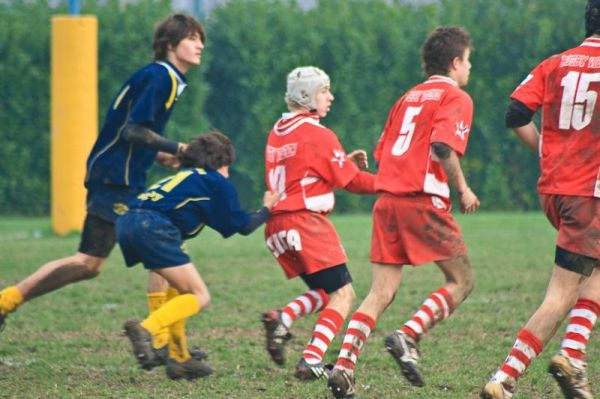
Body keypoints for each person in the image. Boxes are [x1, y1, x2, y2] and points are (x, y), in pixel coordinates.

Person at [0, 13, 205, 365]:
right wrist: (178, 149)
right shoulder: (162, 78)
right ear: (171, 45)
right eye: (191, 38)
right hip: (116, 180)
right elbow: (132, 131)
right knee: (146, 253)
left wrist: (158, 153)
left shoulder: (160, 76)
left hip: (119, 176)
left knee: (104, 262)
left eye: (201, 38)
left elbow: (130, 134)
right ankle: (171, 348)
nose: (200, 44)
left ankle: (171, 348)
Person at [327, 26, 480, 398]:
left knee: (380, 291)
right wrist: (462, 188)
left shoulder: (407, 97)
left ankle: (344, 367)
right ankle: (408, 335)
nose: (470, 68)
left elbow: (386, 151)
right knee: (462, 280)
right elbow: (444, 146)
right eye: (469, 60)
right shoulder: (455, 95)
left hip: (386, 201)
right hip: (421, 199)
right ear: (456, 62)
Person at [480, 2, 600, 398]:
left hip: (554, 190)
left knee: (585, 276)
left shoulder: (556, 62)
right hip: (590, 194)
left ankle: (543, 368)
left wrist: (545, 149)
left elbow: (515, 112)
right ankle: (547, 364)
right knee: (562, 293)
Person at [119, 131, 279, 380]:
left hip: (130, 221)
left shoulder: (187, 176)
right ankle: (147, 330)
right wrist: (267, 208)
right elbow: (244, 226)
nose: (229, 174)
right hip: (154, 226)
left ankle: (179, 357)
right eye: (228, 167)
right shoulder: (215, 181)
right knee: (199, 295)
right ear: (220, 163)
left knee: (179, 288)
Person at [261, 66, 376, 381]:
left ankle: (285, 317)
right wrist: (392, 183)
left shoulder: (279, 129)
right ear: (307, 96)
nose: (330, 96)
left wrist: (342, 162)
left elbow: (303, 172)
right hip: (304, 222)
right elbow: (350, 182)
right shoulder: (318, 133)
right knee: (344, 294)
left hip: (276, 226)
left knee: (326, 292)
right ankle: (311, 359)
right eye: (324, 91)